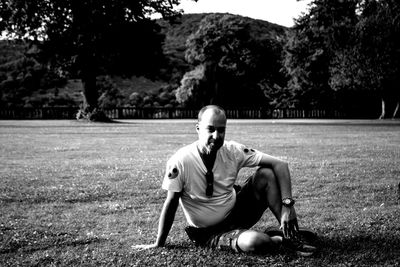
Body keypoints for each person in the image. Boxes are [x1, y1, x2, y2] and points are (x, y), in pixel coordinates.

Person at [134, 105, 316, 255]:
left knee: (266, 174)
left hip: (237, 213)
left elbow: (280, 165)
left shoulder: (232, 151)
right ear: (198, 129)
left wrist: (287, 206)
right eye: (210, 129)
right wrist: (159, 243)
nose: (216, 136)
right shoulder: (180, 161)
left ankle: (292, 237)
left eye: (221, 130)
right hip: (208, 232)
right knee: (257, 242)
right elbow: (171, 202)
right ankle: (276, 238)